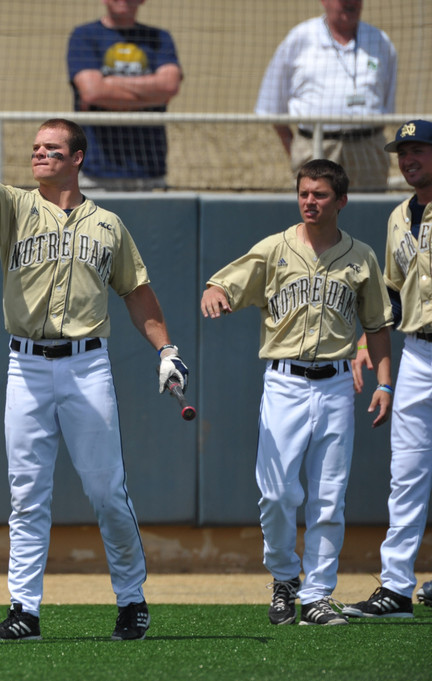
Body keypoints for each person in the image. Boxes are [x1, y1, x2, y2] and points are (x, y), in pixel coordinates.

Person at [0, 103, 189, 641]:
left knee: (106, 490)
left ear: (77, 158)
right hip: (25, 365)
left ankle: (131, 599)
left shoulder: (108, 225)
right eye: (35, 148)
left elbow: (137, 293)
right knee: (27, 493)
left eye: (53, 148)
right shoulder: (14, 207)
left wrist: (166, 350)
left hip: (86, 366)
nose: (40, 154)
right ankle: (24, 610)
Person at [200, 159, 393, 626]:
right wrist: (214, 292)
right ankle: (285, 577)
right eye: (304, 193)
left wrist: (386, 382)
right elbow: (222, 282)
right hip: (284, 382)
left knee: (329, 496)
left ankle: (319, 595)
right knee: (277, 493)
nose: (310, 201)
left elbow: (378, 326)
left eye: (320, 194)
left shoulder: (361, 256)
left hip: (334, 386)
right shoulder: (275, 248)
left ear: (341, 201)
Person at [341, 120, 432, 619]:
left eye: (418, 149)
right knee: (407, 470)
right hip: (417, 351)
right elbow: (394, 292)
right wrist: (365, 342)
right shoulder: (400, 215)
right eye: (402, 151)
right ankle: (397, 588)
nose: (408, 158)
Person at [255, 0, 397, 192]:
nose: (350, 3)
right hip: (315, 150)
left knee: (367, 217)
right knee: (317, 219)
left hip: (368, 154)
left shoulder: (381, 42)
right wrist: (300, 151)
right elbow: (272, 108)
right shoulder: (300, 39)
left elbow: (387, 109)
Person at [66, 0, 182, 191]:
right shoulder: (84, 36)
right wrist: (150, 95)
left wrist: (109, 84)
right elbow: (92, 91)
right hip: (95, 169)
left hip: (149, 166)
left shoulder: (159, 38)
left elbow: (169, 86)